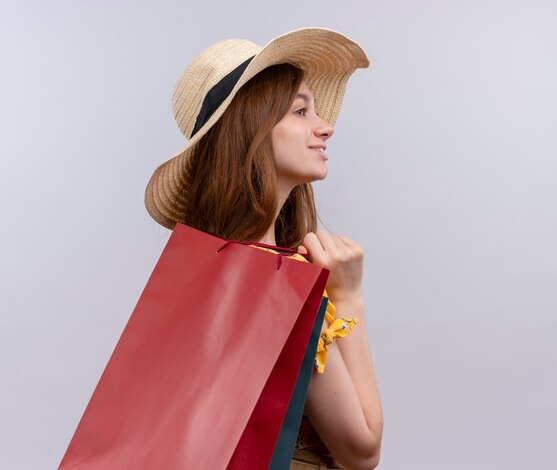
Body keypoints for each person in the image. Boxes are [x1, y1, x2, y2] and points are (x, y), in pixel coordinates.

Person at [145, 28, 383, 470]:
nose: (325, 126)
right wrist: (348, 297)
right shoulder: (278, 284)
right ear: (253, 129)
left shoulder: (206, 275)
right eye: (300, 110)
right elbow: (362, 449)